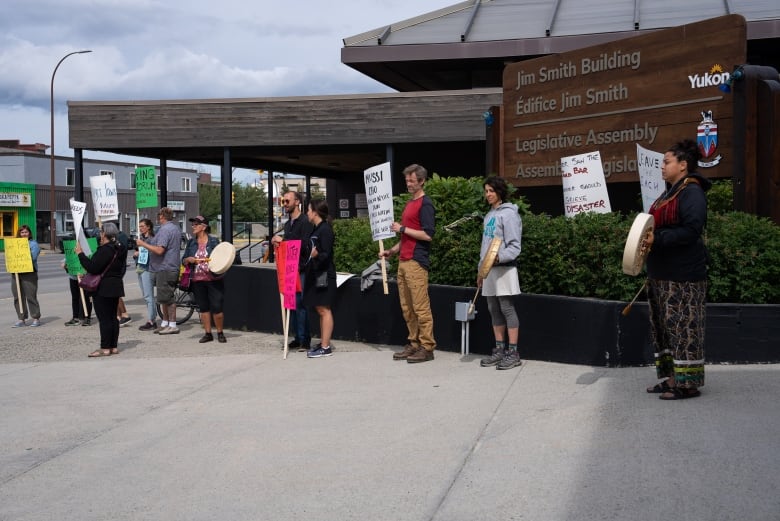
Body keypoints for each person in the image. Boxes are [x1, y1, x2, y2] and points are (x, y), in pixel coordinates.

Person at [643, 139, 711, 400]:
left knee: (684, 328)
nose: (662, 166)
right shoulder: (669, 192)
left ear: (683, 165)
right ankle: (673, 379)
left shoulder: (692, 192)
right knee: (666, 328)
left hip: (683, 275)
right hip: (662, 273)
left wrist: (657, 240)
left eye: (667, 161)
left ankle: (688, 384)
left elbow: (691, 230)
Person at [380, 164, 437, 363]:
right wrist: (392, 251)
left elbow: (428, 235)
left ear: (422, 181)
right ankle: (414, 344)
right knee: (407, 307)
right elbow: (407, 237)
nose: (409, 184)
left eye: (412, 181)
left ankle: (427, 347)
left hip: (416, 261)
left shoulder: (425, 204)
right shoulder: (410, 203)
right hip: (404, 260)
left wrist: (402, 228)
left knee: (420, 307)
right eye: (407, 180)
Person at [477, 176, 523, 370]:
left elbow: (515, 246)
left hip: (504, 268)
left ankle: (513, 352)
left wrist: (498, 257)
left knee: (506, 308)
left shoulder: (510, 214)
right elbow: (485, 246)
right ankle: (499, 350)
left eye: (491, 191)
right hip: (489, 270)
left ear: (500, 192)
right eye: (486, 191)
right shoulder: (489, 215)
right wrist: (481, 270)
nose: (488, 194)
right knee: (493, 309)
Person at [75, 222, 127, 357]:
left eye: (100, 231)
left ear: (105, 233)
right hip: (115, 285)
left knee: (104, 319)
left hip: (103, 288)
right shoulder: (119, 248)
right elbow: (120, 268)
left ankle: (105, 347)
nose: (99, 234)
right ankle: (113, 346)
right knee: (113, 317)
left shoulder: (105, 249)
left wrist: (80, 254)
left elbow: (93, 267)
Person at [271, 190, 314, 352]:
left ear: (297, 202)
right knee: (291, 304)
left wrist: (285, 240)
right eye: (283, 201)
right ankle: (297, 337)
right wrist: (278, 243)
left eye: (287, 201)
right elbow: (288, 245)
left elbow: (305, 244)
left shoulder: (305, 221)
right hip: (290, 268)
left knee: (301, 303)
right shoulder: (288, 224)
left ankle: (305, 339)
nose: (285, 204)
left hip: (301, 268)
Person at [136, 207, 182, 335]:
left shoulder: (165, 230)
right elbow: (156, 243)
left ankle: (172, 325)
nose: (158, 218)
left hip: (166, 267)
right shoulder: (174, 228)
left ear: (162, 217)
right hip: (166, 267)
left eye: (159, 216)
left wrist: (143, 244)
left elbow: (160, 250)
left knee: (168, 297)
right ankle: (165, 323)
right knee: (163, 297)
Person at [182, 216, 227, 343]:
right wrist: (188, 260)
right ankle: (208, 333)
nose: (193, 226)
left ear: (204, 227)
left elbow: (222, 256)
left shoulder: (213, 241)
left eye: (196, 224)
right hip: (197, 280)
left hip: (213, 279)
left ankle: (220, 332)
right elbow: (183, 260)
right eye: (193, 224)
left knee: (217, 307)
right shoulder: (191, 243)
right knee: (203, 307)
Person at [303, 199, 336, 358]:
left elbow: (326, 254)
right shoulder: (316, 228)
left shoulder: (325, 230)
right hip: (316, 273)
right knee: (319, 308)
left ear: (315, 212)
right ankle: (323, 342)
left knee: (324, 308)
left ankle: (325, 347)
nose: (307, 213)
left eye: (308, 210)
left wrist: (317, 255)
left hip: (323, 274)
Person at [11, 225, 42, 327]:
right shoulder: (14, 244)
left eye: (26, 232)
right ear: (19, 234)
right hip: (16, 272)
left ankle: (36, 318)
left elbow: (32, 258)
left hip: (29, 272)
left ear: (29, 233)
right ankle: (21, 319)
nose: (24, 234)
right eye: (22, 232)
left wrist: (21, 256)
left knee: (31, 296)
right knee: (17, 296)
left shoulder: (34, 244)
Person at [133, 218, 157, 331]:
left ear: (148, 227)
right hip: (141, 267)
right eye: (139, 226)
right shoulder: (141, 238)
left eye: (142, 226)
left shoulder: (152, 239)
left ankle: (151, 320)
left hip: (148, 268)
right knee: (146, 295)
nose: (140, 228)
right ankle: (152, 317)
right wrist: (136, 253)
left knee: (149, 296)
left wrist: (141, 249)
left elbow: (153, 252)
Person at [62, 258, 93, 327]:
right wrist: (65, 264)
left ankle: (87, 318)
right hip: (73, 276)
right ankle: (75, 317)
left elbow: (91, 260)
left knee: (86, 297)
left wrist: (86, 272)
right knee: (75, 297)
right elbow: (68, 257)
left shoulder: (86, 248)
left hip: (85, 276)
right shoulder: (71, 248)